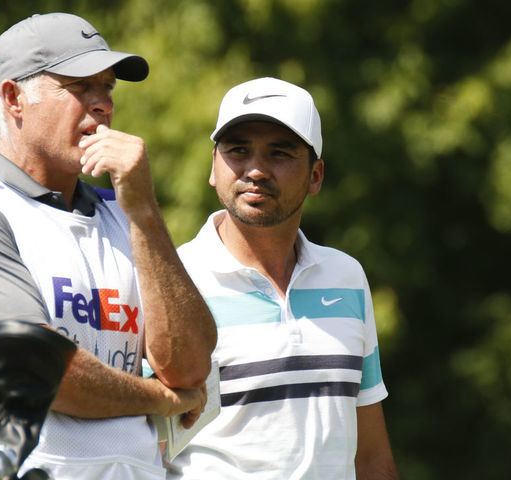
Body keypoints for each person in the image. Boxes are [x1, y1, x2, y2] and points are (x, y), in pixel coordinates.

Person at [0, 12, 217, 480]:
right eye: (79, 87)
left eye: (108, 87)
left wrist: (146, 213)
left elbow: (191, 370)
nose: (102, 103)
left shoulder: (127, 214)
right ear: (14, 99)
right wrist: (160, 399)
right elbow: (41, 373)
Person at [166, 77, 398, 479]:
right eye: (238, 150)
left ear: (316, 175)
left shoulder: (346, 278)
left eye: (280, 153)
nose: (255, 170)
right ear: (213, 167)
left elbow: (371, 456)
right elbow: (142, 448)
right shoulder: (170, 281)